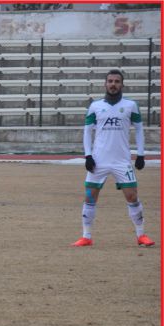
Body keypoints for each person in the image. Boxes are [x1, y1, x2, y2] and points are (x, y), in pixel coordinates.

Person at [72, 69, 154, 247]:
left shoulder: (131, 105)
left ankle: (141, 235)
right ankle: (86, 236)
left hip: (122, 161)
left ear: (122, 84)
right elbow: (87, 132)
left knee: (132, 196)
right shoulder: (95, 106)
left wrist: (140, 154)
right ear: (105, 84)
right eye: (110, 81)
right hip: (99, 161)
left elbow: (139, 129)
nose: (113, 84)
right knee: (90, 197)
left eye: (117, 81)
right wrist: (88, 155)